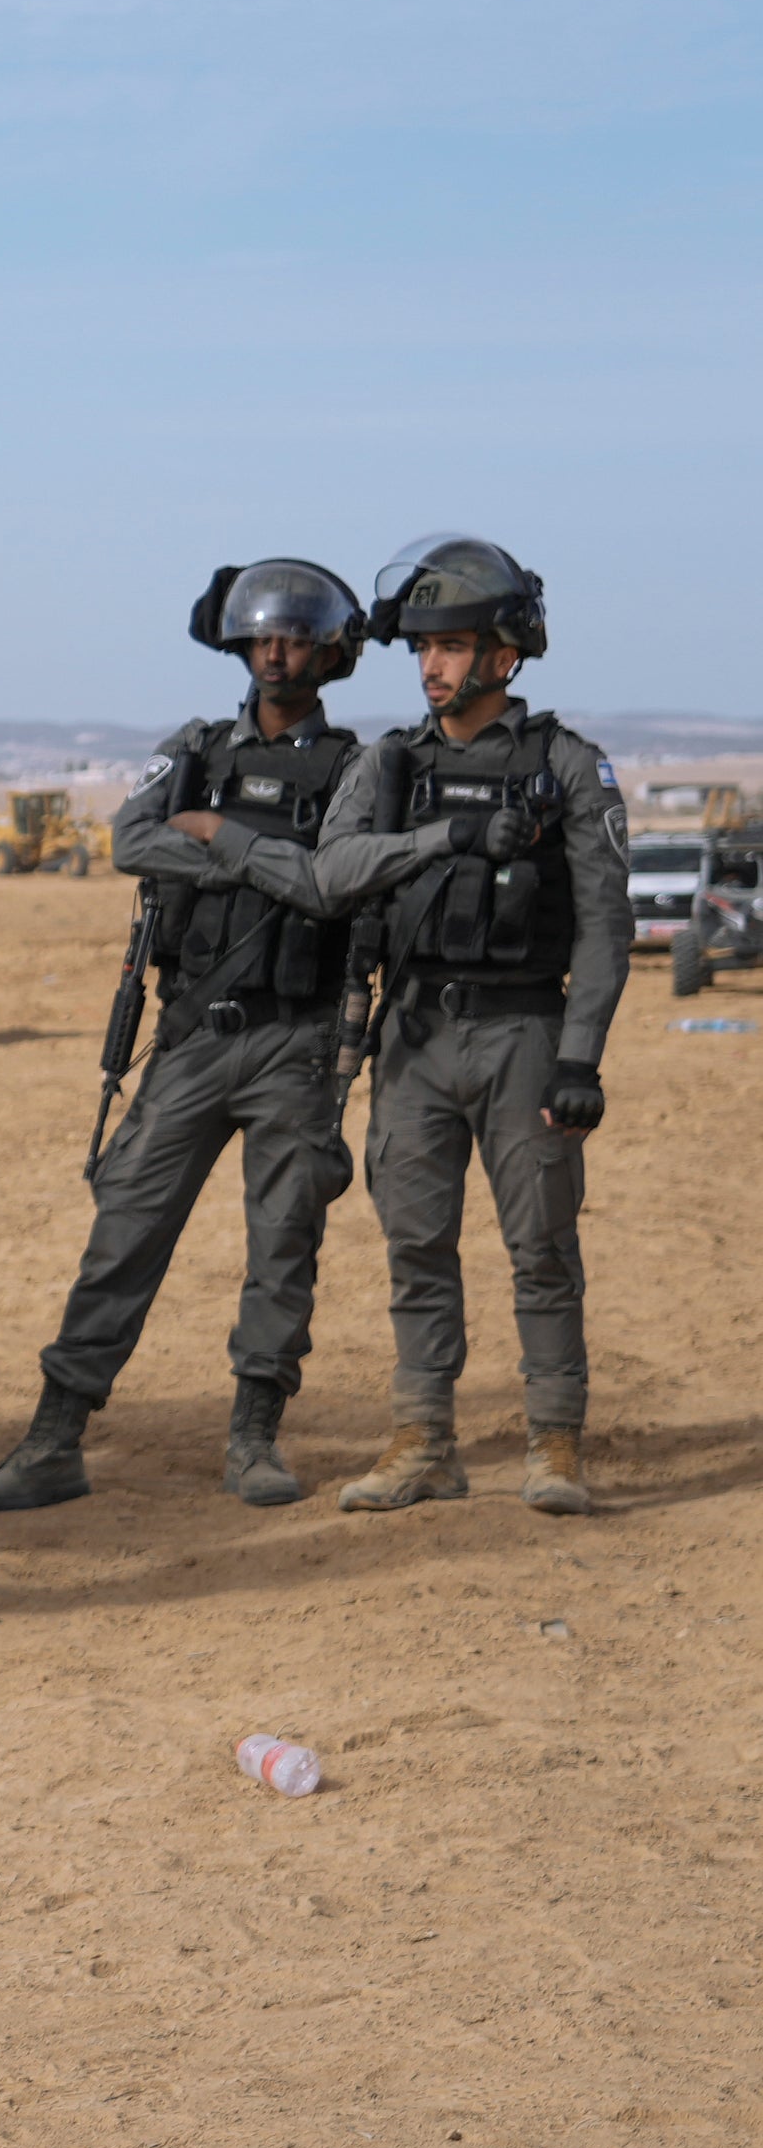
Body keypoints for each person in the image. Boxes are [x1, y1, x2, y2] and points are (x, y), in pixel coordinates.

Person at [0, 561, 375, 1511]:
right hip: (196, 1031)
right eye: (262, 637)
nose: (276, 654)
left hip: (299, 1038)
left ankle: (253, 1440)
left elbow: (333, 883)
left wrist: (219, 842)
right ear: (241, 644)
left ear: (330, 653)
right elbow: (130, 841)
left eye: (295, 639)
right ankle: (54, 1439)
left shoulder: (361, 766)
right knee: (123, 1233)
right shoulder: (194, 749)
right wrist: (260, 859)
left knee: (283, 1246)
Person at [309, 536, 634, 1516]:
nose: (432, 666)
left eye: (451, 646)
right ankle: (423, 1442)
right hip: (413, 1039)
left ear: (503, 653)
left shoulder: (566, 766)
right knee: (415, 1244)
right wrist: (439, 837)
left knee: (540, 1245)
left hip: (525, 1034)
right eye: (422, 649)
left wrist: (580, 1058)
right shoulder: (391, 765)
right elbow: (331, 874)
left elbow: (606, 924)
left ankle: (557, 1442)